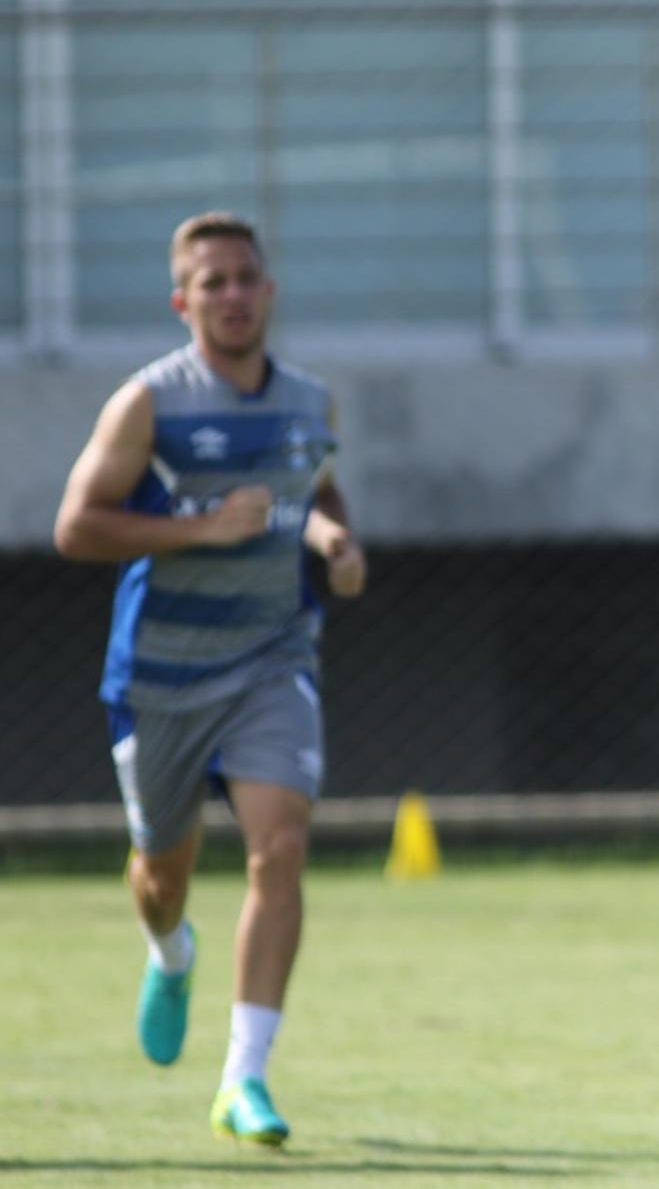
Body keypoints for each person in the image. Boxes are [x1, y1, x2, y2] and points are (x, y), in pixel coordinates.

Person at [54, 211, 366, 1146]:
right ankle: (168, 948)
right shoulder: (147, 403)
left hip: (273, 659)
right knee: (163, 872)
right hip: (159, 677)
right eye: (213, 282)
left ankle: (245, 1076)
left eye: (246, 277)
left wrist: (333, 540)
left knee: (280, 846)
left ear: (268, 291)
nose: (232, 295)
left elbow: (312, 490)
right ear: (183, 301)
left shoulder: (312, 401)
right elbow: (77, 525)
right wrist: (198, 529)